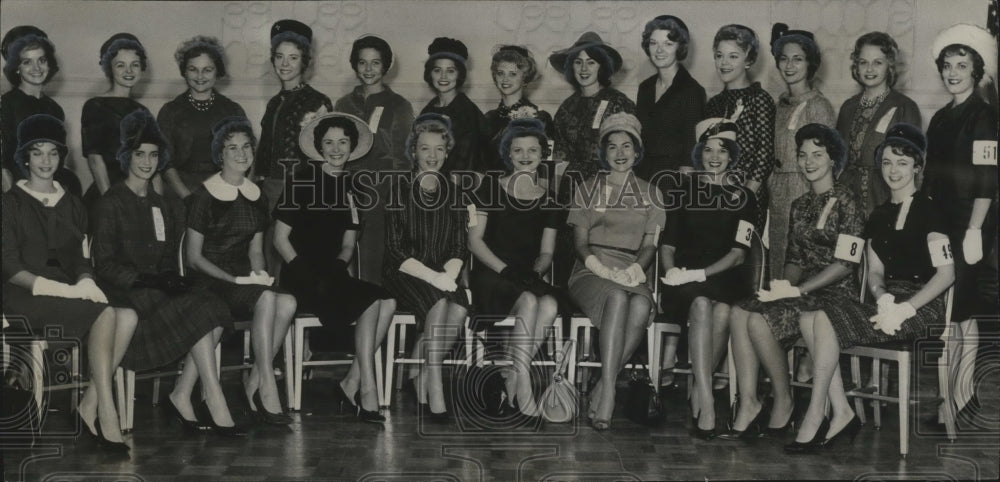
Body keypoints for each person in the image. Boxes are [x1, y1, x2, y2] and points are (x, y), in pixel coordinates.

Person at [789, 124, 954, 454]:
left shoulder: (931, 209)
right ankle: (842, 412)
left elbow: (946, 275)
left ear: (917, 167)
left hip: (923, 303)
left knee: (822, 321)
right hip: (888, 300)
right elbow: (875, 272)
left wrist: (907, 308)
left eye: (903, 163)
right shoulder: (878, 216)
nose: (894, 170)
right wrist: (882, 296)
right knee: (810, 317)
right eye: (888, 162)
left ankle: (817, 414)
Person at [91, 110, 243, 437]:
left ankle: (184, 394)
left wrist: (170, 278)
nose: (147, 161)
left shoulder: (164, 205)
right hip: (123, 292)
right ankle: (214, 398)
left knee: (211, 305)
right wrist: (148, 280)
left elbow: (168, 259)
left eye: (154, 155)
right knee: (199, 310)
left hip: (155, 289)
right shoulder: (111, 202)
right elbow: (103, 264)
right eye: (140, 154)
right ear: (126, 157)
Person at [2, 114, 138, 451]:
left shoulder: (73, 203)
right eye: (37, 153)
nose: (46, 161)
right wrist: (68, 290)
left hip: (68, 291)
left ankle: (90, 403)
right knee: (106, 314)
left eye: (52, 153)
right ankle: (107, 414)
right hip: (22, 295)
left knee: (129, 316)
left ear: (61, 156)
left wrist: (86, 280)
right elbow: (9, 267)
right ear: (25, 158)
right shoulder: (9, 204)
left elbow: (81, 257)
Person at [724, 124, 863, 441]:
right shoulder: (799, 205)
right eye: (803, 155)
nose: (809, 162)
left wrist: (798, 291)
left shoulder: (848, 201)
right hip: (802, 292)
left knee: (760, 321)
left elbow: (845, 264)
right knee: (740, 312)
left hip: (836, 296)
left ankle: (784, 399)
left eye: (818, 155)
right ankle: (749, 403)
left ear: (833, 160)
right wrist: (782, 289)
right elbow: (795, 260)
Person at [273, 112, 397, 423]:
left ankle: (351, 382)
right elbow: (280, 239)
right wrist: (305, 271)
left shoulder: (353, 186)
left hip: (332, 272)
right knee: (371, 303)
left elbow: (347, 243)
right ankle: (367, 388)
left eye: (343, 142)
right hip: (300, 272)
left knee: (389, 300)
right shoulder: (302, 179)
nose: (336, 149)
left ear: (352, 146)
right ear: (318, 146)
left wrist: (338, 266)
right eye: (329, 142)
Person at [185, 116, 297, 425]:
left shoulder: (257, 195)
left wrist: (258, 275)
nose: (241, 154)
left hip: (241, 277)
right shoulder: (204, 195)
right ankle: (268, 386)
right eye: (232, 148)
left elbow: (255, 250)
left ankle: (255, 381)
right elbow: (193, 258)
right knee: (266, 300)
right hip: (208, 279)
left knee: (286, 301)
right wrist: (235, 279)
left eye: (247, 147)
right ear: (220, 154)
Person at [658, 118, 757, 439]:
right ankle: (708, 401)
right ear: (699, 153)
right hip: (683, 279)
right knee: (701, 304)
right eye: (708, 150)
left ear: (732, 156)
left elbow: (740, 254)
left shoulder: (745, 198)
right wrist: (672, 271)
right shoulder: (682, 190)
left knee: (725, 310)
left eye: (722, 150)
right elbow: (668, 245)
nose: (715, 157)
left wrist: (701, 273)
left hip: (724, 275)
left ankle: (699, 390)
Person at [567, 113, 665, 430]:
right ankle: (608, 394)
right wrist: (596, 265)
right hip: (589, 267)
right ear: (603, 152)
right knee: (619, 299)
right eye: (613, 147)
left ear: (637, 152)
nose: (620, 153)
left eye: (627, 146)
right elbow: (580, 243)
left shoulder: (652, 193)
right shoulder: (586, 188)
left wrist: (638, 268)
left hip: (631, 269)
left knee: (640, 303)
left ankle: (601, 384)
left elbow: (650, 243)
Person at [923, 24, 998, 419]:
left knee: (961, 310)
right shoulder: (939, 118)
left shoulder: (983, 116)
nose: (953, 73)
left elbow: (988, 176)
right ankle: (958, 396)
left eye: (961, 65)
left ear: (975, 70)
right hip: (943, 222)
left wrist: (974, 229)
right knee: (954, 311)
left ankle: (958, 397)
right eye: (947, 66)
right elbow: (931, 178)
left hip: (973, 221)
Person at [468, 118, 564, 417]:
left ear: (542, 154)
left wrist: (536, 270)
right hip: (491, 272)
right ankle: (523, 389)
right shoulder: (489, 188)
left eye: (532, 150)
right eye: (518, 150)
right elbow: (474, 242)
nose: (525, 156)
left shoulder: (550, 199)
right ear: (508, 154)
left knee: (548, 304)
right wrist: (505, 271)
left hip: (524, 273)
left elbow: (547, 251)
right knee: (529, 300)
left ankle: (512, 373)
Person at [382, 113, 470, 419]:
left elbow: (460, 245)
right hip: (404, 271)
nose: (432, 156)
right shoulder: (398, 189)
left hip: (443, 273)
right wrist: (434, 278)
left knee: (458, 307)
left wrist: (449, 275)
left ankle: (419, 373)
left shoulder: (456, 193)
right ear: (413, 152)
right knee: (437, 303)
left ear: (447, 152)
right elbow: (394, 250)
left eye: (439, 149)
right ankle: (434, 383)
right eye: (424, 148)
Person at [333, 34, 415, 285]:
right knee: (339, 253)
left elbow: (405, 157)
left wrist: (396, 195)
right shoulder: (343, 103)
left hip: (383, 192)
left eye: (375, 63)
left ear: (386, 66)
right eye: (362, 63)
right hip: (345, 190)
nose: (368, 69)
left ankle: (375, 309)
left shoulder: (399, 105)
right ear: (355, 65)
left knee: (374, 258)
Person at [767, 24, 837, 280]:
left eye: (798, 59)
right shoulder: (779, 104)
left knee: (801, 264)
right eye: (784, 59)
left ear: (810, 64)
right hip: (778, 193)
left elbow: (825, 163)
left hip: (805, 191)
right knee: (778, 261)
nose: (789, 66)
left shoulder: (819, 106)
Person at [836, 32, 921, 215]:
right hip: (847, 199)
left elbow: (914, 166)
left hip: (886, 198)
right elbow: (838, 159)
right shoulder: (848, 107)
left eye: (877, 62)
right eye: (863, 62)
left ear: (889, 66)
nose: (869, 69)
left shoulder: (905, 107)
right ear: (856, 66)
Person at [255, 19, 333, 211]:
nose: (285, 64)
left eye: (293, 57)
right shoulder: (274, 102)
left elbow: (326, 158)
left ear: (304, 61)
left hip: (302, 190)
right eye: (279, 56)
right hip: (268, 190)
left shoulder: (318, 101)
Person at [157, 35, 247, 201]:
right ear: (184, 71)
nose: (200, 76)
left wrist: (227, 191)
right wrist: (187, 197)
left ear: (217, 72)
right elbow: (165, 163)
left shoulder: (232, 110)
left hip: (224, 187)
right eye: (193, 69)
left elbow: (244, 159)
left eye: (207, 70)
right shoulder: (170, 111)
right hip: (179, 189)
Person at [1, 25, 81, 196]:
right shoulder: (6, 104)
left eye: (42, 60)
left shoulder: (55, 109)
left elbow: (57, 158)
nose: (36, 68)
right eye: (27, 62)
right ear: (17, 67)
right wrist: (14, 202)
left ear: (49, 64)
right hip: (16, 190)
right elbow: (3, 165)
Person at [550, 31, 636, 188]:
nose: (584, 69)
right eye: (578, 62)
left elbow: (630, 153)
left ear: (601, 66)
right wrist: (554, 192)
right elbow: (560, 156)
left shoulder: (618, 102)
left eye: (591, 62)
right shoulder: (566, 107)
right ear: (571, 67)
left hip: (609, 186)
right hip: (571, 187)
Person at [81, 33, 152, 210]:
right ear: (109, 68)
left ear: (141, 68)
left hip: (139, 191)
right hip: (107, 192)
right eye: (121, 65)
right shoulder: (95, 106)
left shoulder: (143, 111)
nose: (129, 71)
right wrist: (111, 203)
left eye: (134, 65)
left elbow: (152, 160)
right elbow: (95, 161)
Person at [634, 15, 706, 181]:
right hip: (642, 175)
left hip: (673, 180)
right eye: (654, 43)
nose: (659, 50)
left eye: (668, 44)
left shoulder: (692, 91)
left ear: (679, 48)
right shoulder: (645, 88)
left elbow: (691, 152)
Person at [419, 37, 489, 175]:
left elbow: (466, 162)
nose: (443, 77)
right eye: (437, 70)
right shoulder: (427, 110)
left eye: (451, 71)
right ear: (430, 74)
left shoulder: (467, 112)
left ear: (459, 75)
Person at [483, 45, 554, 173]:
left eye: (513, 74)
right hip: (492, 188)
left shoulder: (540, 118)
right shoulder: (488, 118)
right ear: (495, 77)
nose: (505, 79)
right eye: (500, 73)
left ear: (525, 79)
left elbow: (547, 166)